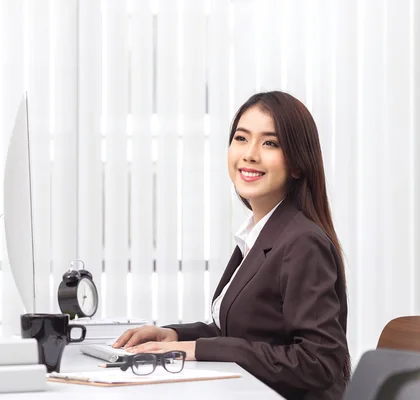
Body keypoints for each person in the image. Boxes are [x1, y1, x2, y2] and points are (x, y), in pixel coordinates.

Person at [112, 91, 350, 400]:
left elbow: (318, 363)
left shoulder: (302, 241)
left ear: (297, 164)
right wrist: (175, 335)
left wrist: (197, 350)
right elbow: (242, 333)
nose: (250, 154)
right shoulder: (260, 234)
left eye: (270, 143)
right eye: (241, 138)